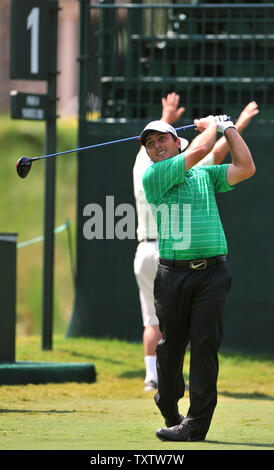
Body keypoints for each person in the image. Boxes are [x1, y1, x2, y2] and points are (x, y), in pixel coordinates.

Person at [140, 114, 255, 441]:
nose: (156, 146)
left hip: (212, 275)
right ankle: (168, 401)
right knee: (171, 349)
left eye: (162, 139)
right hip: (172, 275)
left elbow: (246, 168)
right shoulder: (155, 176)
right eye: (150, 144)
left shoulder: (203, 174)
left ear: (177, 142)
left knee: (205, 346)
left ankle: (196, 424)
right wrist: (212, 126)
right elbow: (201, 147)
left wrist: (229, 127)